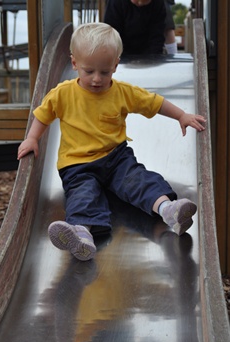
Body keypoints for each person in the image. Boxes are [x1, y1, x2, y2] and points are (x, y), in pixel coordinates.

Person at [17, 22, 205, 261]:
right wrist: (33, 138)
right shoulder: (62, 94)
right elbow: (43, 115)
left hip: (116, 157)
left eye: (104, 72)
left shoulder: (122, 92)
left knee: (138, 179)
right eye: (89, 71)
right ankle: (82, 235)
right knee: (83, 195)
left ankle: (169, 210)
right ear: (74, 63)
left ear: (115, 64)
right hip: (77, 165)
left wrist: (181, 115)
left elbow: (153, 102)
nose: (97, 79)